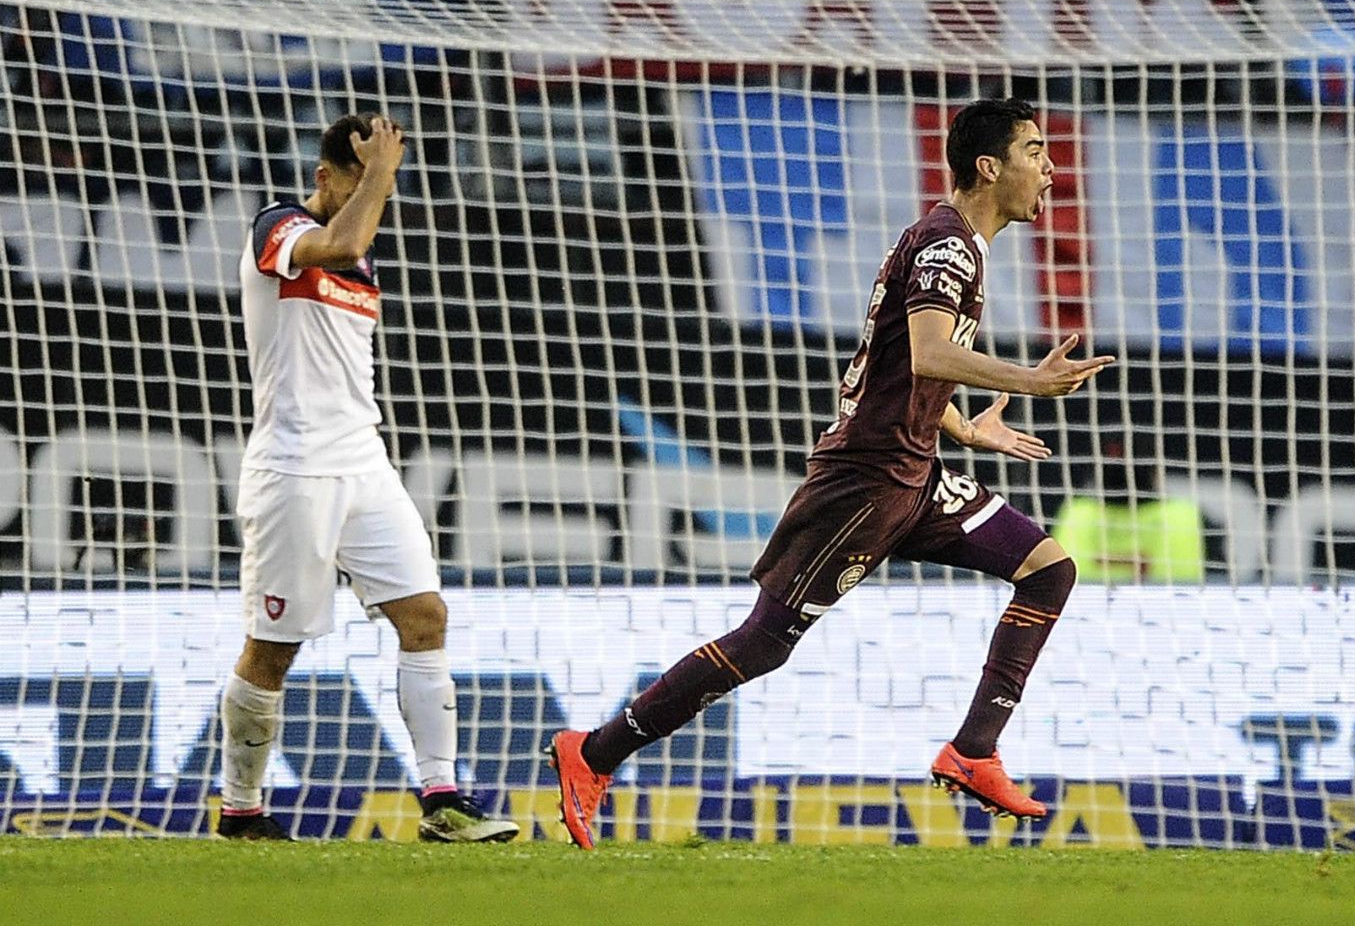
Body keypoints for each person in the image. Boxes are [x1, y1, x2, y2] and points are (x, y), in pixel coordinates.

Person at [546, 98, 1114, 849]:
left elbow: (893, 368)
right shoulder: (948, 246)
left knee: (1048, 569)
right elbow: (928, 355)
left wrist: (964, 428)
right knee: (766, 641)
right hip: (870, 481)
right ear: (990, 166)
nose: (1048, 167)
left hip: (916, 470)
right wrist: (1029, 382)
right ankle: (593, 753)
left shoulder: (953, 242)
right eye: (1035, 151)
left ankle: (974, 750)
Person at [218, 114, 518, 843]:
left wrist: (378, 179)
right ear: (325, 179)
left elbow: (357, 241)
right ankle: (241, 809)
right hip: (295, 471)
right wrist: (381, 169)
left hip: (364, 462)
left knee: (425, 618)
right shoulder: (278, 230)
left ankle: (442, 801)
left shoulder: (362, 255)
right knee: (273, 650)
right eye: (364, 187)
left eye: (381, 191)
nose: (377, 205)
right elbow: (343, 238)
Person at [1052, 431, 1206, 583]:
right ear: (1154, 468)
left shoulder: (1076, 514)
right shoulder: (1182, 515)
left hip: (1086, 606)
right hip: (1168, 606)